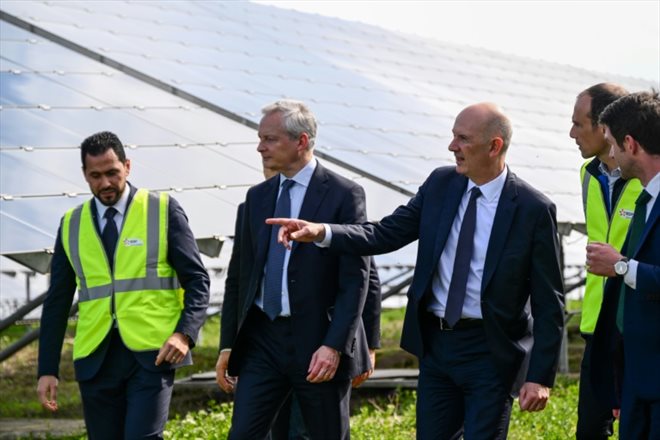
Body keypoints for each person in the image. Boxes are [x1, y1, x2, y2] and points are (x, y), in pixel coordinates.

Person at [268, 102, 565, 439]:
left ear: (494, 146)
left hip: (491, 352)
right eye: (453, 137)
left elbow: (548, 299)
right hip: (438, 346)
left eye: (462, 139)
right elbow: (385, 233)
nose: (452, 146)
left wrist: (539, 376)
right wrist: (323, 231)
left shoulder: (532, 208)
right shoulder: (441, 185)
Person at [36, 131, 210, 439]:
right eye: (96, 176)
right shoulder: (71, 224)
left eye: (112, 173)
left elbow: (197, 280)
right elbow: (57, 302)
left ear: (127, 167)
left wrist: (185, 334)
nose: (105, 183)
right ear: (84, 175)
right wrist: (47, 369)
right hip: (96, 359)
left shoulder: (162, 210)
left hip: (152, 355)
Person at [216, 99, 373, 439]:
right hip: (262, 338)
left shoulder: (344, 194)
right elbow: (239, 277)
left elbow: (355, 279)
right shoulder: (257, 197)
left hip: (316, 340)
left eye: (270, 139)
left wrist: (334, 345)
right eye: (261, 138)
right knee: (242, 434)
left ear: (301, 141)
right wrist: (228, 344)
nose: (260, 147)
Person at [587, 91, 660, 439]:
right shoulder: (645, 201)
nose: (610, 155)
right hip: (636, 381)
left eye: (613, 145)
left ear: (630, 144)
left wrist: (620, 267)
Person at [569, 83, 637, 439]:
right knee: (590, 431)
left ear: (604, 126)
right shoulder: (587, 175)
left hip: (637, 325)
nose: (572, 133)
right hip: (597, 326)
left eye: (579, 124)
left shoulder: (648, 177)